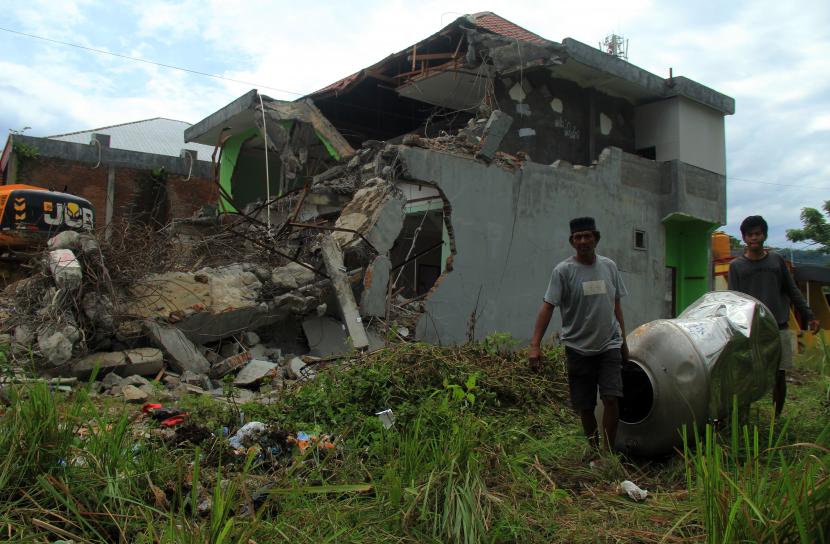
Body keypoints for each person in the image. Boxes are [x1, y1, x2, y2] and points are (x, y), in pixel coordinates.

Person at [528, 217, 628, 452]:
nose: (583, 241)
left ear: (596, 238)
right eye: (578, 237)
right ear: (572, 242)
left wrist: (624, 342)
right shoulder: (563, 271)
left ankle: (608, 453)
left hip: (609, 344)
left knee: (612, 398)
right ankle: (593, 451)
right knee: (585, 405)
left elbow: (616, 307)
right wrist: (535, 345)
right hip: (578, 347)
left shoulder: (610, 267)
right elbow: (547, 307)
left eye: (587, 236)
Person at [728, 215, 820, 417]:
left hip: (779, 325)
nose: (754, 238)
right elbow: (734, 301)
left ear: (764, 235)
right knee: (746, 374)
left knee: (780, 373)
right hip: (751, 329)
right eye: (750, 235)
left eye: (758, 234)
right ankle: (743, 415)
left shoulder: (776, 261)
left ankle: (777, 417)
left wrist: (809, 315)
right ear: (744, 238)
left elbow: (792, 290)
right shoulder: (737, 267)